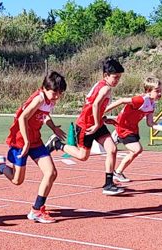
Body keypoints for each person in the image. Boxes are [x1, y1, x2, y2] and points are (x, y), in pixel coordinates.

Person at [0, 71, 67, 223]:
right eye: (54, 93)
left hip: (34, 139)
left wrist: (53, 127)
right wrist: (26, 141)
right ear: (45, 88)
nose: (57, 96)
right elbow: (23, 117)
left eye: (60, 93)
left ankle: (36, 210)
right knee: (17, 181)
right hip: (20, 140)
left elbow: (45, 115)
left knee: (51, 172)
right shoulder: (39, 98)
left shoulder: (50, 100)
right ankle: (0, 166)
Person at [46, 57, 125, 195]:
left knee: (112, 149)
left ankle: (108, 184)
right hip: (86, 126)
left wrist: (102, 119)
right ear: (105, 75)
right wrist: (95, 123)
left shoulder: (102, 85)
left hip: (97, 123)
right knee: (83, 156)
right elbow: (94, 104)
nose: (117, 80)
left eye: (119, 77)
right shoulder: (105, 88)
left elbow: (94, 105)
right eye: (115, 77)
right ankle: (57, 144)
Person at [104, 77, 162, 182]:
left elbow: (150, 123)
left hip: (132, 129)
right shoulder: (141, 99)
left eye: (161, 91)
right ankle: (117, 172)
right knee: (137, 149)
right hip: (123, 127)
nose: (160, 93)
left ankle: (117, 172)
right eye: (157, 91)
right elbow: (122, 100)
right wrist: (104, 111)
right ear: (148, 91)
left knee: (135, 151)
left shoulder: (152, 104)